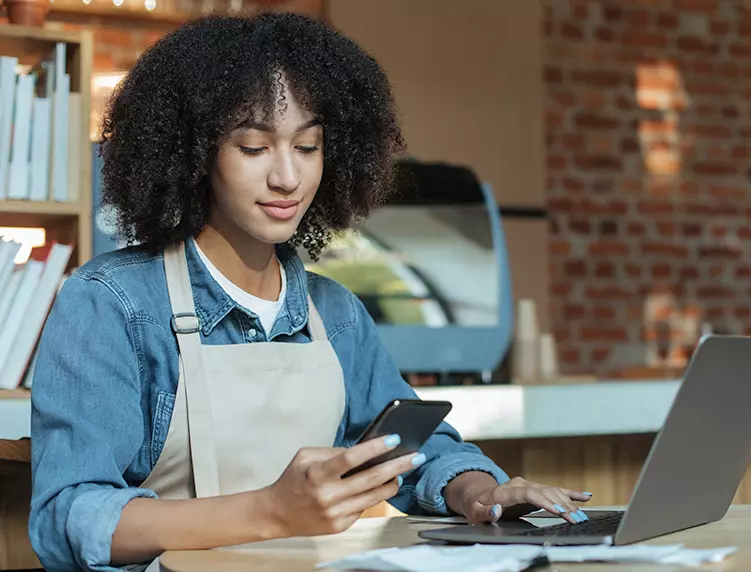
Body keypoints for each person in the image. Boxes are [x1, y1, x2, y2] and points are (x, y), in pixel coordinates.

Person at [27, 12, 593, 572]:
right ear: (194, 155)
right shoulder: (112, 304)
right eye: (253, 148)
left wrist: (478, 494)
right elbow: (68, 517)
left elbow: (416, 453)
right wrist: (273, 512)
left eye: (307, 147)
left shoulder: (335, 314)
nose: (287, 178)